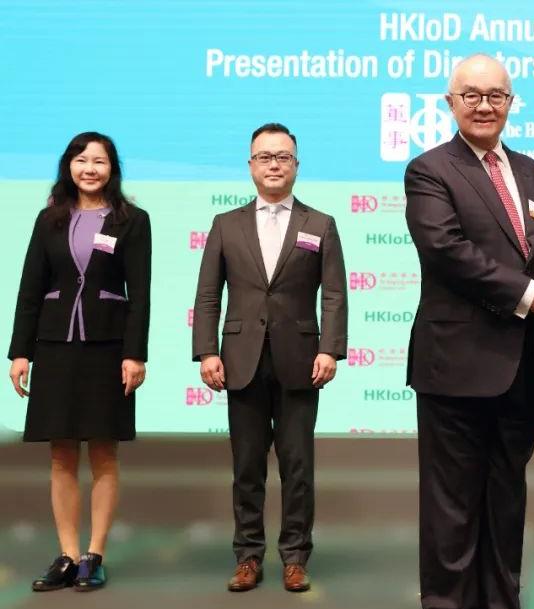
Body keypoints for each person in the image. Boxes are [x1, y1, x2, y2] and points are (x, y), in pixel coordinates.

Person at [404, 54, 534, 609]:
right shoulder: (429, 170)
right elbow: (447, 251)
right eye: (472, 95)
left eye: (496, 96)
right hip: (457, 364)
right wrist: (532, 295)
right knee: (452, 506)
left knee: (507, 498)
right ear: (450, 103)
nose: (484, 105)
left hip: (525, 365)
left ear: (511, 102)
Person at [191, 123, 347, 593]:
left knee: (298, 467)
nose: (274, 164)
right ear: (251, 166)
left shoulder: (320, 224)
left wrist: (329, 348)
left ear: (296, 165)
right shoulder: (226, 224)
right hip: (240, 360)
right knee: (247, 468)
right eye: (265, 157)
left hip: (301, 360)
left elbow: (334, 295)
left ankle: (295, 557)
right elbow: (208, 295)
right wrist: (206, 351)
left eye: (283, 157)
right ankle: (248, 556)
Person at [8, 132, 151, 592]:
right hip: (54, 345)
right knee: (61, 453)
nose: (90, 168)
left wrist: (135, 354)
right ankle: (68, 555)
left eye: (99, 161)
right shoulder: (49, 219)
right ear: (69, 166)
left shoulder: (132, 220)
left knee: (104, 452)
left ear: (112, 169)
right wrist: (20, 352)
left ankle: (94, 555)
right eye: (81, 160)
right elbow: (30, 288)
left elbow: (140, 294)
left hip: (108, 346)